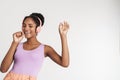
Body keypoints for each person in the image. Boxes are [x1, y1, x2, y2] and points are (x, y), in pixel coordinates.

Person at [0, 13, 70, 80]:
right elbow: (3, 69)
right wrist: (14, 42)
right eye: (24, 25)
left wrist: (63, 36)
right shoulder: (17, 45)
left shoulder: (45, 49)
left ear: (38, 29)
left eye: (30, 26)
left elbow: (65, 63)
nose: (26, 29)